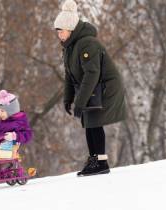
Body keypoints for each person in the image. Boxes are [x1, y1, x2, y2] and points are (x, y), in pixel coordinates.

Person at [53, 0, 126, 176]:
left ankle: (100, 162)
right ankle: (95, 159)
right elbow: (70, 75)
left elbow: (92, 74)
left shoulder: (87, 44)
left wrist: (80, 102)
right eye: (57, 32)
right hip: (92, 87)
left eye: (61, 31)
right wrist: (68, 99)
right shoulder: (69, 48)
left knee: (94, 120)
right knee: (89, 122)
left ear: (70, 29)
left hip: (106, 86)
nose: (59, 35)